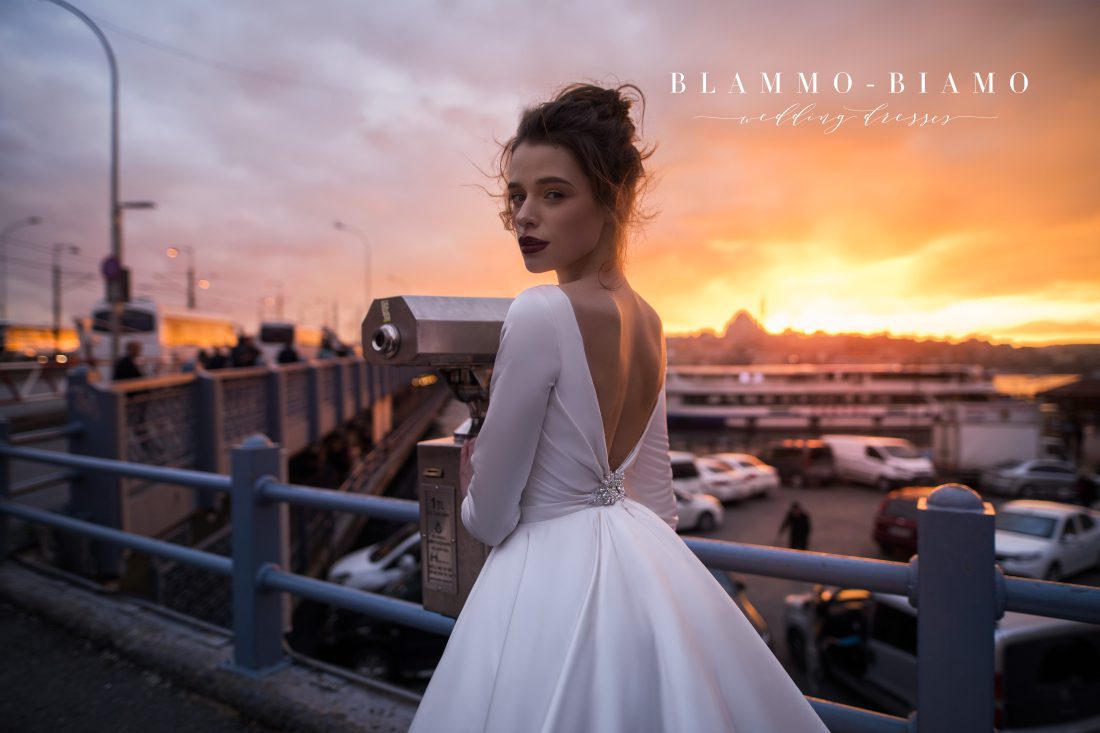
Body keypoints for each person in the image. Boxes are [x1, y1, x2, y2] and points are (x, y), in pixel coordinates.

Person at [409, 83, 827, 732]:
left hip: (543, 579)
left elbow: (491, 517)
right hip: (641, 564)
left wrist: (467, 490)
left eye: (553, 193)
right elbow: (658, 497)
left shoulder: (541, 311)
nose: (524, 216)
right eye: (516, 196)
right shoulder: (653, 322)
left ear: (615, 200)